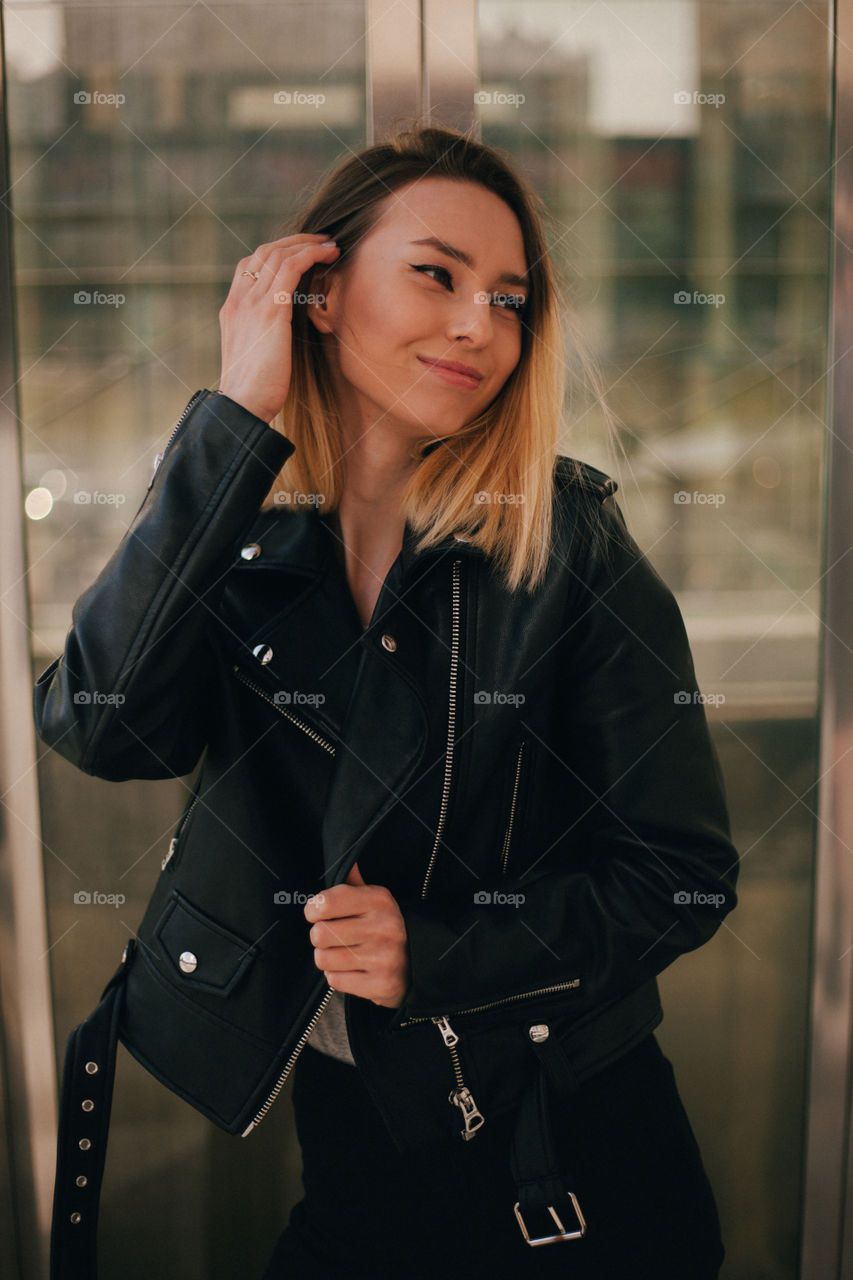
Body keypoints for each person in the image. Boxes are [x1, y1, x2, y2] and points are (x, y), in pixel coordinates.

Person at [35, 122, 738, 1280]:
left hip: (564, 1151)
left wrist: (443, 952)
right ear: (316, 290)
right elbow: (103, 722)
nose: (479, 324)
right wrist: (234, 423)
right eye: (436, 273)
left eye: (509, 299)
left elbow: (681, 871)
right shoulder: (242, 533)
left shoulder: (566, 545)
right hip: (354, 1142)